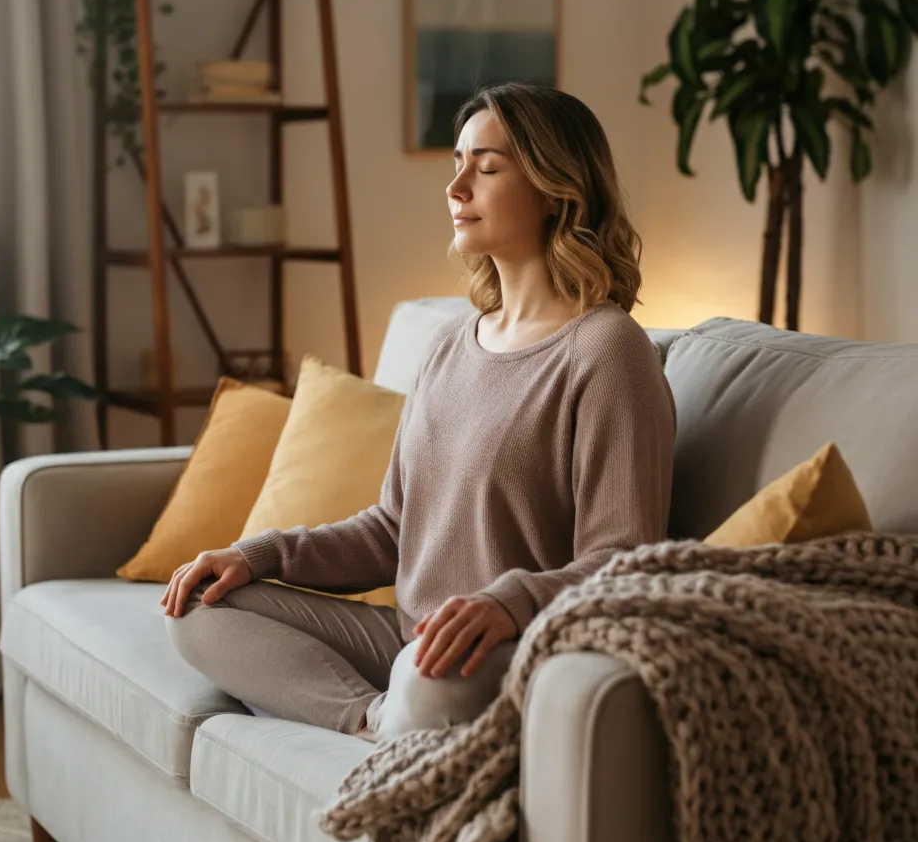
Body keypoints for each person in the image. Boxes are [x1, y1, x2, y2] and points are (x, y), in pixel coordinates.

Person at [163, 82, 676, 743]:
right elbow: (392, 531)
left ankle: (401, 711)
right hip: (405, 639)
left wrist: (509, 600)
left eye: (486, 168)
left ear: (556, 189)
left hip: (500, 649)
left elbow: (626, 557)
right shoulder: (450, 343)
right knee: (200, 607)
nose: (456, 187)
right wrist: (259, 555)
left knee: (429, 682)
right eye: (456, 164)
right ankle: (372, 720)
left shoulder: (607, 351)